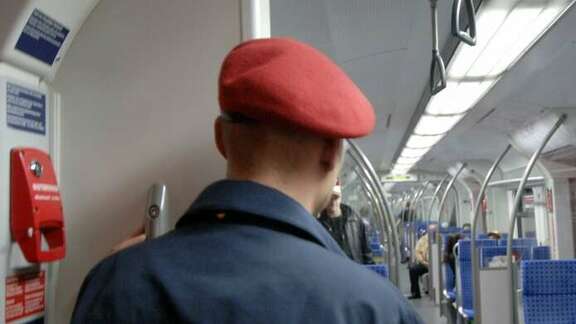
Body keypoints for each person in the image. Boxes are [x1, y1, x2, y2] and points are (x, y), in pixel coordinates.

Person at [71, 38, 423, 323]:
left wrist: (119, 271)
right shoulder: (375, 308)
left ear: (221, 139)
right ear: (331, 153)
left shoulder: (119, 284)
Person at [318, 184, 374, 264]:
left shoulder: (354, 220)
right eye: (330, 198)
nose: (333, 202)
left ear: (341, 198)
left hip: (353, 269)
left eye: (336, 198)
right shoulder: (318, 222)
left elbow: (366, 250)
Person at [408, 232, 430, 299]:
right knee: (413, 270)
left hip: (437, 265)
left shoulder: (440, 239)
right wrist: (424, 262)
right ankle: (416, 293)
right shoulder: (422, 240)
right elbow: (418, 252)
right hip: (425, 264)